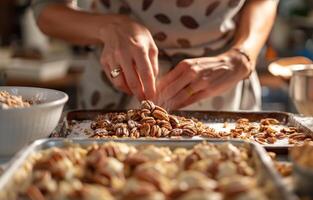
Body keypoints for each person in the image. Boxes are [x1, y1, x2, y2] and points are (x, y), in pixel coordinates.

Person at [32, 0, 279, 110]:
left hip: (223, 88)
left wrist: (243, 55)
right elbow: (46, 11)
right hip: (115, 94)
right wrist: (108, 27)